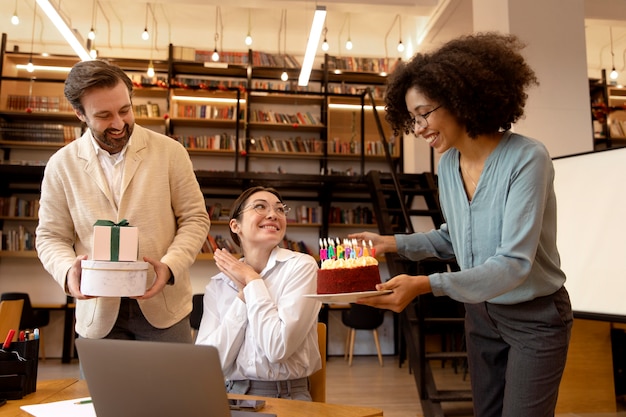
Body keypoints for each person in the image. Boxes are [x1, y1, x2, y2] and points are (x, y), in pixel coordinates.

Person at [350, 32, 573, 417]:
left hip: (534, 318)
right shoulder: (448, 166)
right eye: (412, 119)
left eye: (423, 114)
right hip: (481, 313)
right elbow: (457, 239)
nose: (417, 128)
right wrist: (390, 243)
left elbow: (513, 264)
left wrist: (424, 285)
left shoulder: (527, 158)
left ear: (459, 100)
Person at [35, 60, 211, 342]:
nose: (118, 124)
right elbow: (50, 236)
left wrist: (169, 266)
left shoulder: (171, 152)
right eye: (104, 115)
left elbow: (195, 218)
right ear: (80, 113)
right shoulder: (61, 164)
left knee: (172, 388)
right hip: (97, 313)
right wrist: (68, 271)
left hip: (164, 307)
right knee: (100, 390)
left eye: (125, 110)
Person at [195, 186, 321, 401]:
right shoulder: (218, 284)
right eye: (260, 207)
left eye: (280, 210)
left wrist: (252, 281)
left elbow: (277, 349)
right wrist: (243, 298)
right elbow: (208, 365)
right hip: (229, 395)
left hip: (287, 396)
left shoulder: (302, 267)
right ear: (235, 226)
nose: (273, 214)